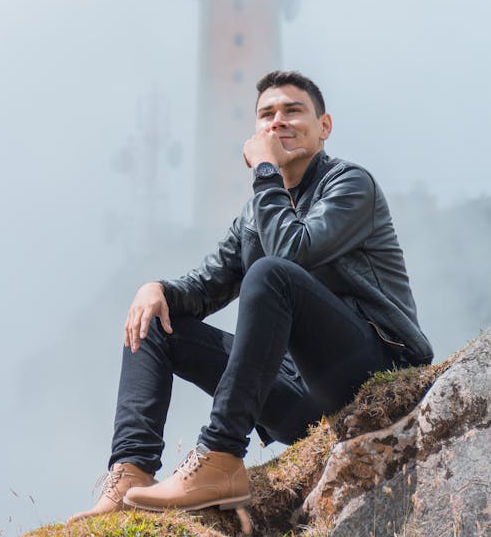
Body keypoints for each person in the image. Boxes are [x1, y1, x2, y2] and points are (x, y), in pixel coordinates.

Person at [69, 70, 433, 521]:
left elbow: (290, 252)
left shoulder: (349, 184)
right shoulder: (257, 210)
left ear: (324, 127)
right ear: (256, 131)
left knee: (270, 272)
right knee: (155, 319)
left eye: (293, 111)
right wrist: (157, 288)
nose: (278, 121)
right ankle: (131, 472)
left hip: (372, 364)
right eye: (266, 115)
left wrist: (265, 171)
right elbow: (205, 287)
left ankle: (220, 453)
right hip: (297, 397)